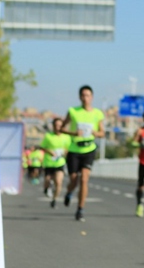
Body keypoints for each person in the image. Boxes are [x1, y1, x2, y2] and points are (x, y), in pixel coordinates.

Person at [61, 85, 105, 221]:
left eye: (88, 95)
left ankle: (80, 209)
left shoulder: (98, 113)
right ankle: (69, 192)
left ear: (92, 97)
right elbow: (62, 128)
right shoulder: (73, 111)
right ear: (80, 97)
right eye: (83, 95)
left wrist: (95, 132)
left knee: (84, 179)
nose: (86, 98)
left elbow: (102, 133)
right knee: (74, 180)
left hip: (89, 149)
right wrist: (74, 132)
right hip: (74, 150)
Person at [40, 118, 70, 208]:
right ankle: (46, 188)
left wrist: (65, 152)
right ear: (53, 126)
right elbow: (42, 147)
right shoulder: (48, 136)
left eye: (60, 126)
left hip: (60, 163)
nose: (58, 127)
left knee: (58, 182)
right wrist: (50, 152)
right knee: (47, 180)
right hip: (49, 162)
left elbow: (68, 148)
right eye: (56, 125)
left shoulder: (67, 137)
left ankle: (55, 199)